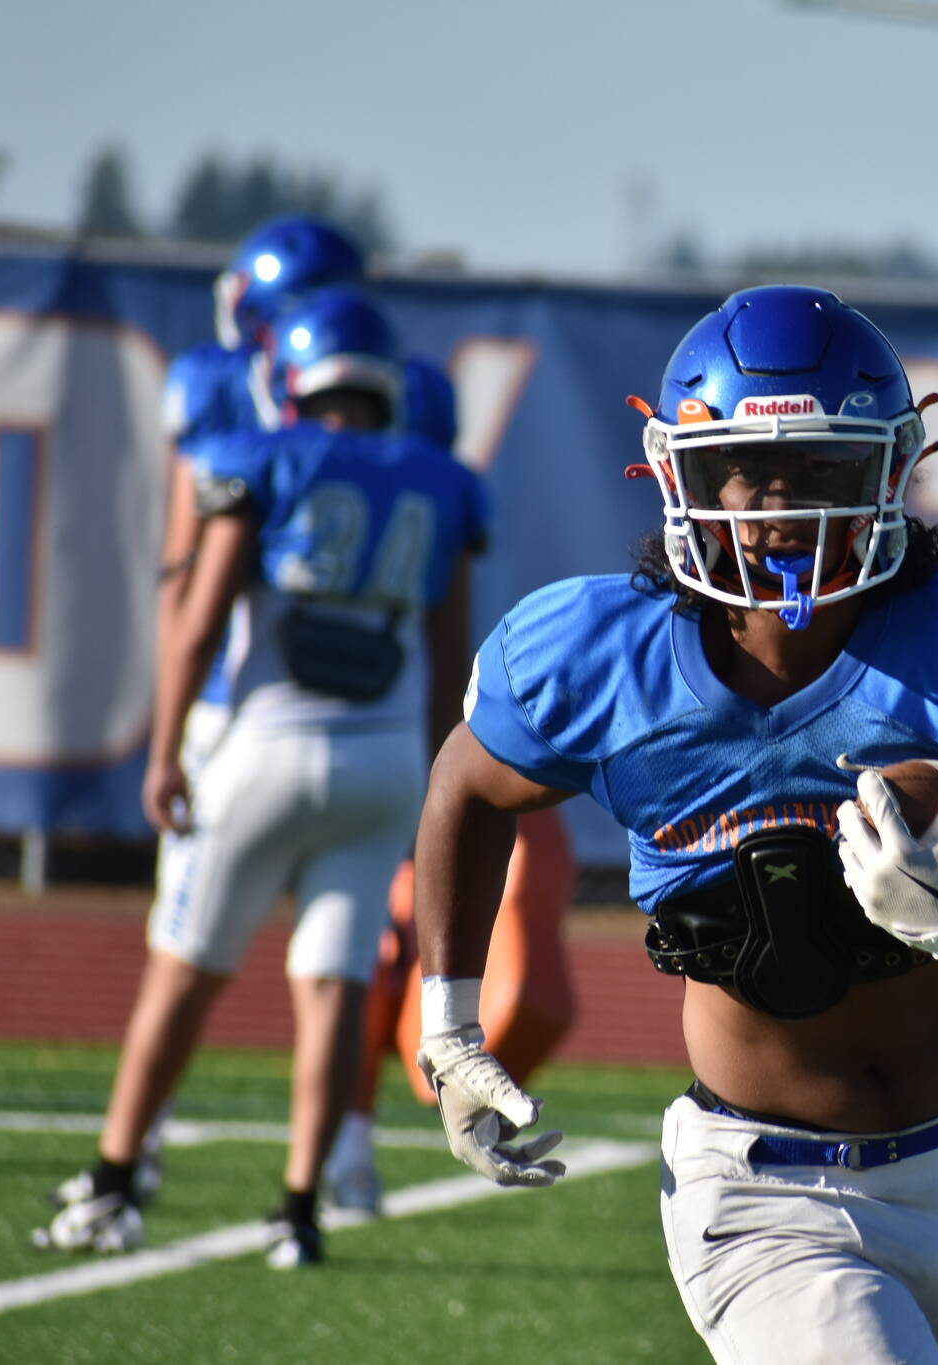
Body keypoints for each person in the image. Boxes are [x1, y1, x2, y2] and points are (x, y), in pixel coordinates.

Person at [410, 285, 938, 1362]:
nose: (778, 509)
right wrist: (447, 1025)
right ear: (676, 472)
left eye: (819, 470)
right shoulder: (599, 656)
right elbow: (466, 787)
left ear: (891, 473)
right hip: (767, 1190)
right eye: (744, 472)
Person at [37, 287, 490, 1268]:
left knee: (185, 969)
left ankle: (113, 1184)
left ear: (292, 378)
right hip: (384, 760)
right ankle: (296, 1210)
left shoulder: (258, 457)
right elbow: (454, 664)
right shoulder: (441, 479)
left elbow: (199, 617)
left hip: (262, 747)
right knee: (330, 988)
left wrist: (164, 750)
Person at [319, 356, 582, 1216]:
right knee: (362, 954)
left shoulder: (363, 488)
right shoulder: (450, 492)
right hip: (426, 747)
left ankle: (340, 1149)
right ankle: (341, 1149)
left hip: (404, 746)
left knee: (360, 954)